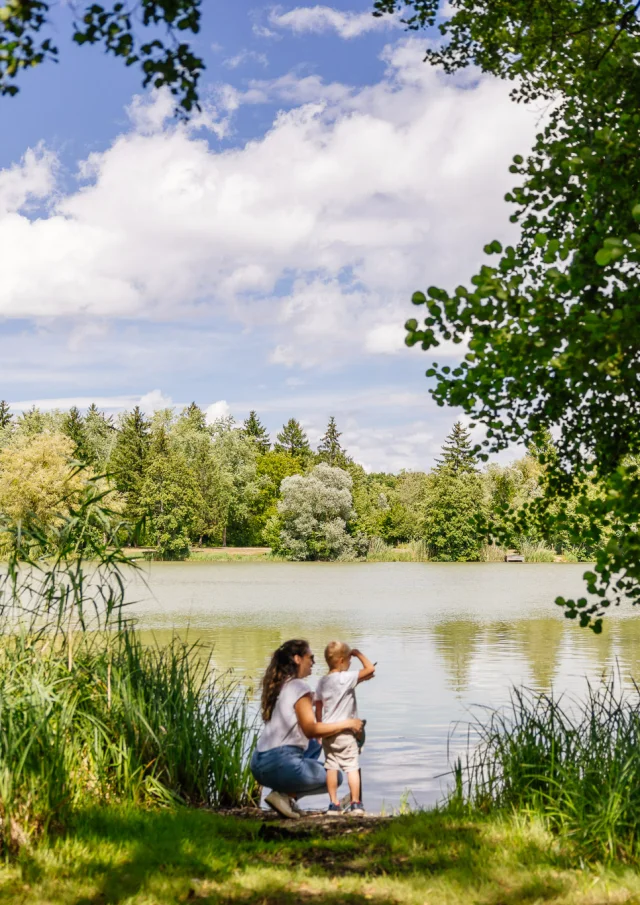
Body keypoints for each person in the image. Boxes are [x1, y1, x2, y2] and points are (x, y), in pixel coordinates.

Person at [251, 639, 363, 819]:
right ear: (297, 659)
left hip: (258, 763)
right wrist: (349, 724)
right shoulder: (298, 686)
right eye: (310, 657)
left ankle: (285, 798)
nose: (314, 662)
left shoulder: (281, 684)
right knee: (336, 777)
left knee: (316, 744)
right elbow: (311, 729)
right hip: (278, 764)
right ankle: (287, 796)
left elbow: (311, 733)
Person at [314, 642, 375, 815]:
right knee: (352, 767)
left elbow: (318, 706)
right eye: (349, 659)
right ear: (341, 660)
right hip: (346, 733)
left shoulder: (322, 682)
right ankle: (356, 803)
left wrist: (319, 728)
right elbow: (370, 669)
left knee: (331, 767)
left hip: (328, 732)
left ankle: (334, 804)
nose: (350, 663)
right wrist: (358, 653)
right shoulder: (346, 677)